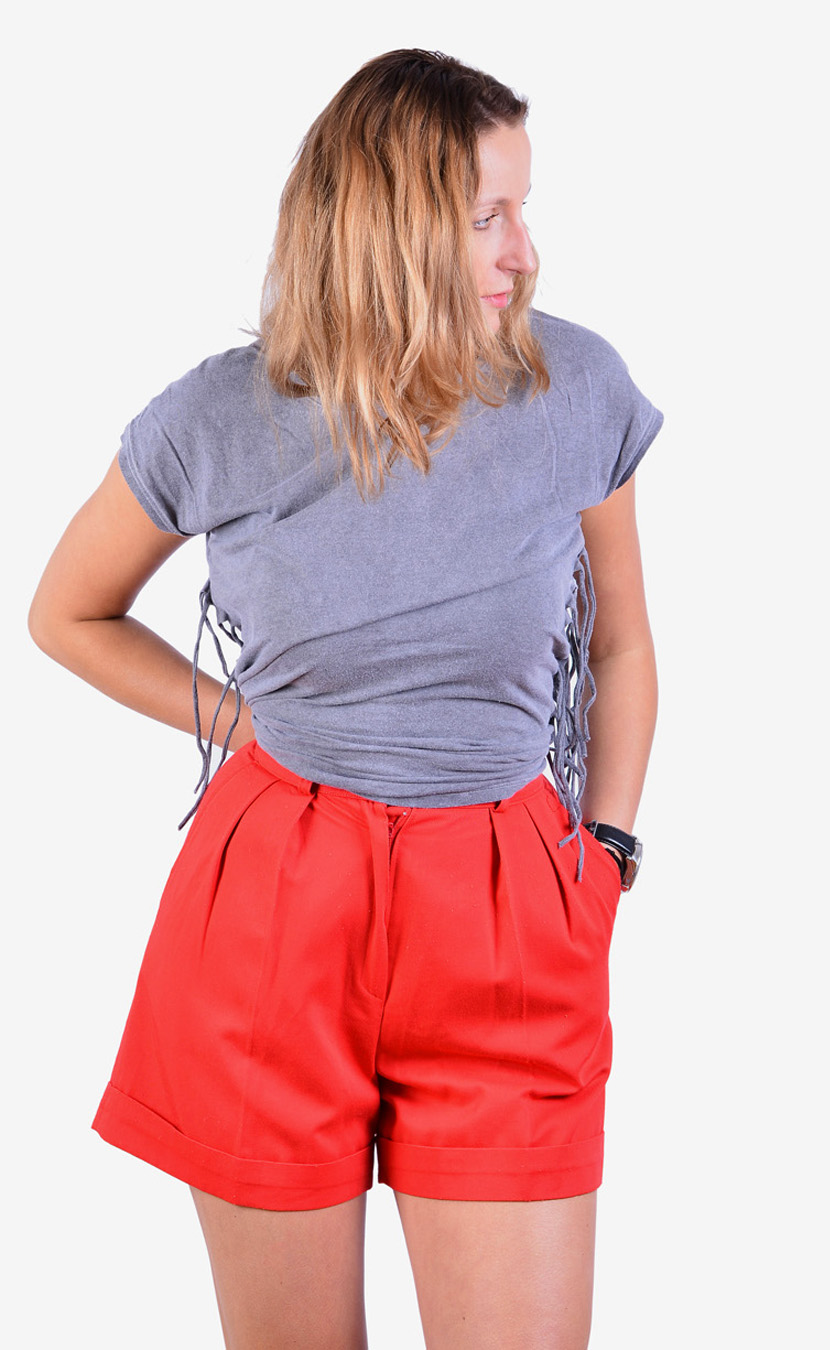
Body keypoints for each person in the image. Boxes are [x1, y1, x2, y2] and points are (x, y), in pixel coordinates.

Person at [29, 48, 662, 1350]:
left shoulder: (575, 389)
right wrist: (245, 722)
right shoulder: (222, 413)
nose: (526, 251)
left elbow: (625, 646)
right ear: (391, 223)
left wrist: (605, 852)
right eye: (490, 216)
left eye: (524, 209)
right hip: (274, 907)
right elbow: (66, 613)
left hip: (507, 907)